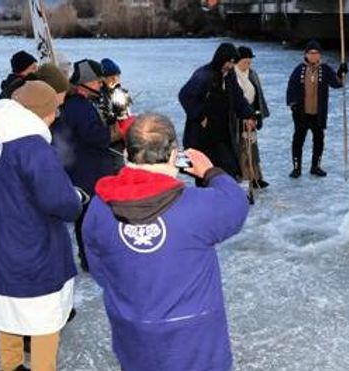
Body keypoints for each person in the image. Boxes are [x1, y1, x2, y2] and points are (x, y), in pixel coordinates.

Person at [82, 113, 249, 371]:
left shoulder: (99, 206)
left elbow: (97, 265)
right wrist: (210, 172)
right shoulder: (197, 206)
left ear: (127, 153)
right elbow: (236, 205)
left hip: (134, 328)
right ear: (173, 154)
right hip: (194, 334)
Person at [0, 81, 83, 371]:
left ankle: (11, 365)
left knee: (7, 311)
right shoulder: (32, 146)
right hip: (31, 246)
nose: (56, 117)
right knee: (43, 319)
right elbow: (60, 202)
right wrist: (76, 196)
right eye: (54, 111)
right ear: (43, 113)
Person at [52, 59, 122, 271]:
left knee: (86, 218)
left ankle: (89, 258)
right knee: (90, 217)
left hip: (80, 168)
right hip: (87, 171)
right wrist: (117, 131)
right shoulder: (80, 107)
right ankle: (91, 260)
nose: (101, 85)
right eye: (97, 82)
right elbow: (96, 137)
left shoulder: (74, 104)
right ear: (86, 83)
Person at [179, 43, 257, 183]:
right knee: (205, 172)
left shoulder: (229, 76)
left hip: (222, 133)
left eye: (233, 62)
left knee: (229, 169)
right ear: (221, 59)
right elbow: (185, 95)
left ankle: (224, 198)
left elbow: (238, 97)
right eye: (229, 62)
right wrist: (200, 116)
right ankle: (207, 200)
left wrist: (249, 115)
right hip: (203, 135)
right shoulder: (204, 75)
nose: (231, 65)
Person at [285, 40, 348, 178]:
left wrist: (341, 72)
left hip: (318, 113)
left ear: (320, 55)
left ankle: (316, 166)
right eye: (311, 53)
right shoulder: (299, 69)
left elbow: (337, 83)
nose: (313, 56)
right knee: (298, 140)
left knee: (319, 140)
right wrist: (293, 105)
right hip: (302, 113)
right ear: (306, 54)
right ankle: (296, 168)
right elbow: (291, 88)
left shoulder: (324, 69)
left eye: (316, 53)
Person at [234, 45, 270, 189]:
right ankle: (245, 177)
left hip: (251, 115)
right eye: (245, 62)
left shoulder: (252, 74)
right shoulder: (232, 76)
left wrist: (258, 115)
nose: (247, 65)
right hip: (239, 118)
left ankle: (256, 176)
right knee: (242, 148)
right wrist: (243, 116)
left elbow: (258, 96)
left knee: (253, 147)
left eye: (249, 62)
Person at [99, 58, 135, 171]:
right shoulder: (99, 96)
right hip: (110, 138)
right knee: (116, 166)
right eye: (111, 76)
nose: (114, 79)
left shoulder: (121, 92)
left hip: (121, 137)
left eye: (117, 76)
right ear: (103, 78)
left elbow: (128, 113)